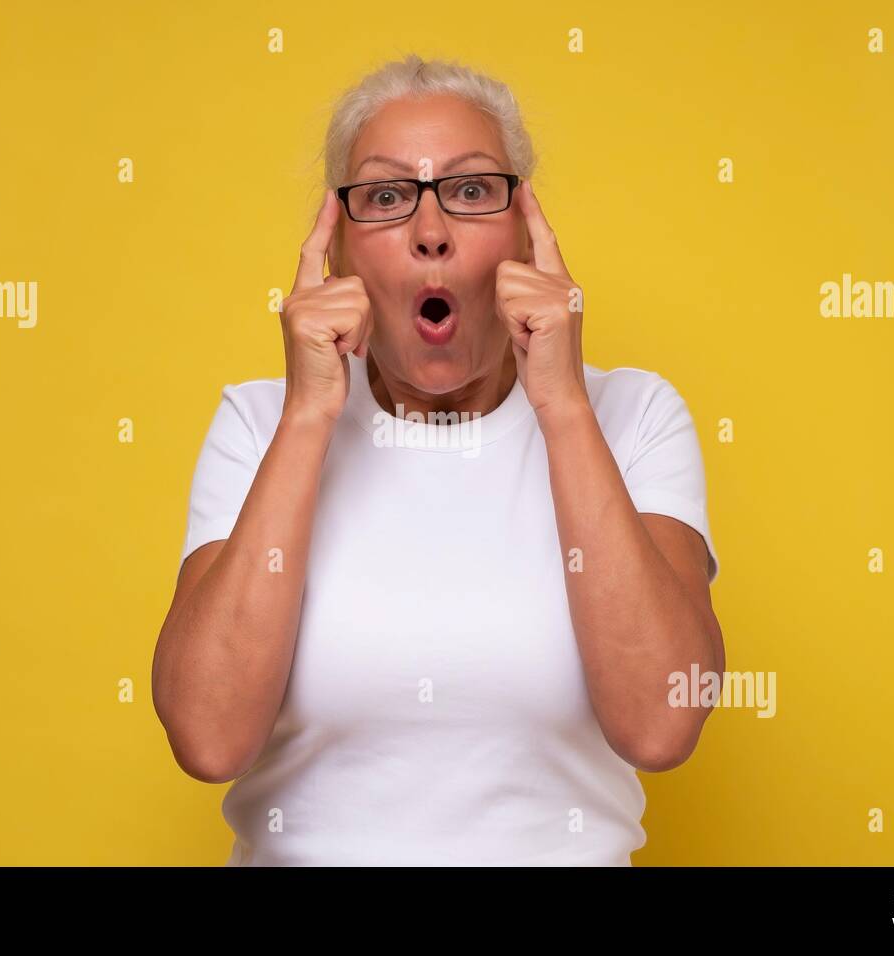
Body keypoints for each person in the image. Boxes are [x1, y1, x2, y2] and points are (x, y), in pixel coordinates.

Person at [152, 54, 724, 866]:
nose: (430, 231)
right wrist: (310, 413)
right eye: (385, 197)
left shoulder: (633, 416)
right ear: (341, 254)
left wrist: (562, 406)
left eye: (470, 190)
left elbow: (662, 724)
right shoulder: (257, 425)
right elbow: (207, 739)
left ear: (527, 228)